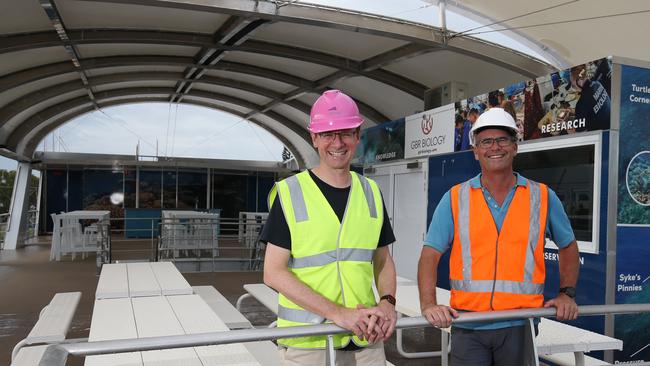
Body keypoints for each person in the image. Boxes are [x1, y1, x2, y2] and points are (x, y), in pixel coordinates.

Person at [417, 108, 580, 366]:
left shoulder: (542, 196)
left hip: (520, 324)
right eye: (486, 141)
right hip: (467, 325)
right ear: (476, 150)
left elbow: (569, 246)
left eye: (503, 139)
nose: (495, 147)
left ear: (515, 147)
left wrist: (566, 293)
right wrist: (428, 305)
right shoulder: (455, 198)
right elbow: (429, 254)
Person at [261, 89, 397, 366]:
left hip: (365, 338)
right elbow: (273, 273)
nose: (337, 142)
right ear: (314, 138)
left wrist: (387, 302)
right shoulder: (290, 193)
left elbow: (382, 259)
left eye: (346, 133)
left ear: (358, 135)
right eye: (327, 134)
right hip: (309, 340)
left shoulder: (371, 191)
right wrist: (337, 312)